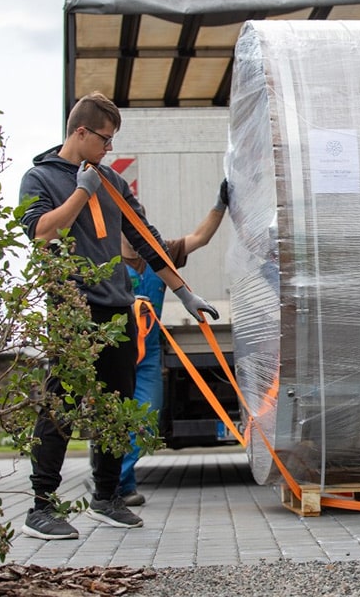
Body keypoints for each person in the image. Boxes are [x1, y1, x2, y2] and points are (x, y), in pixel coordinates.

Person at [19, 91, 219, 540]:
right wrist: (79, 192)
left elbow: (146, 239)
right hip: (74, 313)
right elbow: (41, 232)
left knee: (117, 409)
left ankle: (107, 498)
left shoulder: (113, 181)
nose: (110, 149)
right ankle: (41, 507)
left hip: (118, 311)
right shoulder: (39, 178)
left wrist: (185, 293)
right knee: (60, 408)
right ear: (81, 132)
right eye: (105, 140)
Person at [118, 180, 229, 506]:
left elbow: (200, 238)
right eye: (130, 224)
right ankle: (119, 487)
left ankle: (120, 482)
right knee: (115, 420)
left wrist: (219, 203)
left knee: (146, 417)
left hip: (149, 355)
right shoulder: (106, 258)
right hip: (117, 353)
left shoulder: (161, 254)